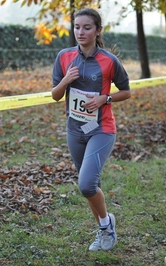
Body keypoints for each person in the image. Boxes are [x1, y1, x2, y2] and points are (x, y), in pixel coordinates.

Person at [51, 8, 131, 251]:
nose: (80, 32)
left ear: (98, 31)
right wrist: (66, 81)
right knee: (90, 186)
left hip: (101, 129)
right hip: (75, 130)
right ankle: (105, 230)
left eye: (87, 27)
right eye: (77, 27)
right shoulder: (64, 57)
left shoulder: (109, 60)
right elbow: (55, 95)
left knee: (86, 184)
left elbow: (126, 91)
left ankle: (106, 225)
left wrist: (104, 99)